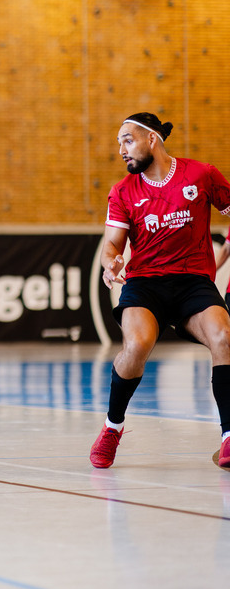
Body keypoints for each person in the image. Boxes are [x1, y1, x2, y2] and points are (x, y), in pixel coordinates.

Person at [93, 112, 230, 469]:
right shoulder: (123, 191)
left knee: (224, 337)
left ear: (151, 139)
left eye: (127, 140)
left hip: (193, 282)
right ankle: (112, 426)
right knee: (136, 345)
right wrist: (111, 263)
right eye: (119, 143)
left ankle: (229, 437)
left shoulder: (201, 175)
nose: (121, 149)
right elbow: (112, 245)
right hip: (146, 284)